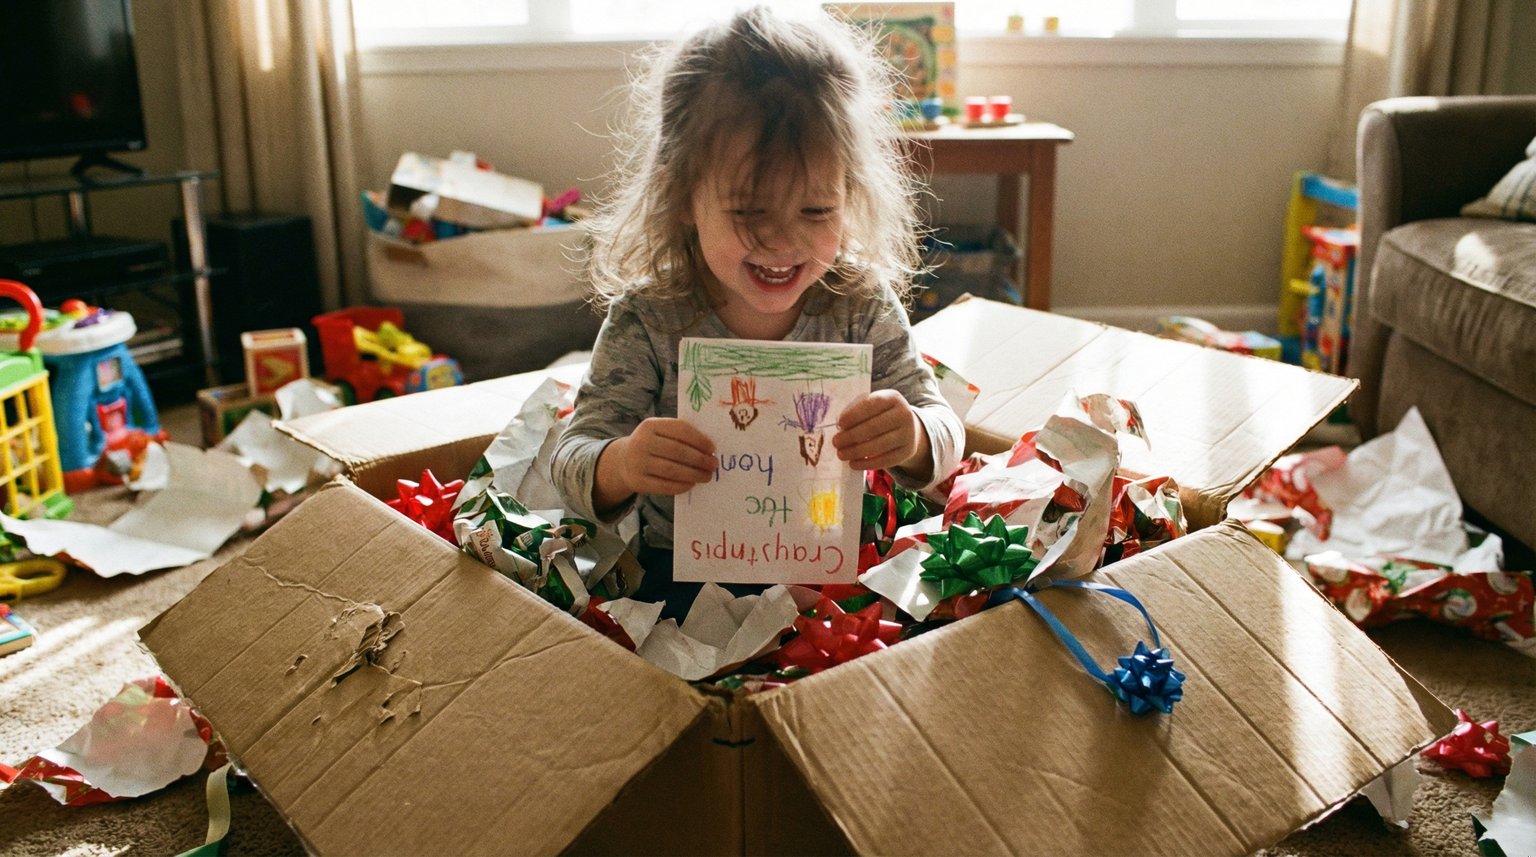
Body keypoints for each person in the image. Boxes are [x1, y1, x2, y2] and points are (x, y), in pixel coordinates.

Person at [552, 5, 964, 619]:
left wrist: (912, 438)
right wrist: (625, 462)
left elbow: (945, 432)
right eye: (749, 212)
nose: (782, 242)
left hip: (833, 579)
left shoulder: (858, 305)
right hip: (681, 581)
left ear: (849, 195)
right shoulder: (651, 319)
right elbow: (572, 458)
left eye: (817, 211)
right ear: (681, 196)